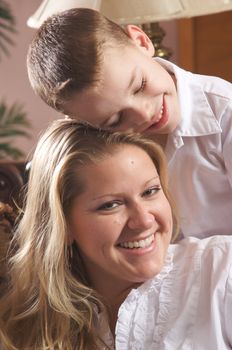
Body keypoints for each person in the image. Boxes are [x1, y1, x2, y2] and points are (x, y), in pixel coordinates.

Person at [0, 119, 232, 350]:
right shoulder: (23, 327)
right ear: (63, 225)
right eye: (111, 205)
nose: (144, 220)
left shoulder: (222, 271)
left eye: (150, 191)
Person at [27, 8, 232, 240]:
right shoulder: (93, 144)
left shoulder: (225, 111)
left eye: (140, 85)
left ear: (142, 41)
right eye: (116, 119)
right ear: (79, 122)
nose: (144, 114)